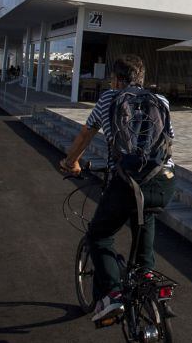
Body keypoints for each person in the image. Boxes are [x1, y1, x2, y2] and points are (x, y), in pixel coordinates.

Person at [58, 54, 177, 324]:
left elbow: (85, 135)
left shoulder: (108, 99)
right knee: (145, 214)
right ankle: (146, 276)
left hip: (127, 182)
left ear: (116, 79)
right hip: (165, 180)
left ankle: (111, 295)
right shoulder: (162, 102)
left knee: (99, 236)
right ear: (142, 79)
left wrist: (71, 162)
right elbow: (167, 144)